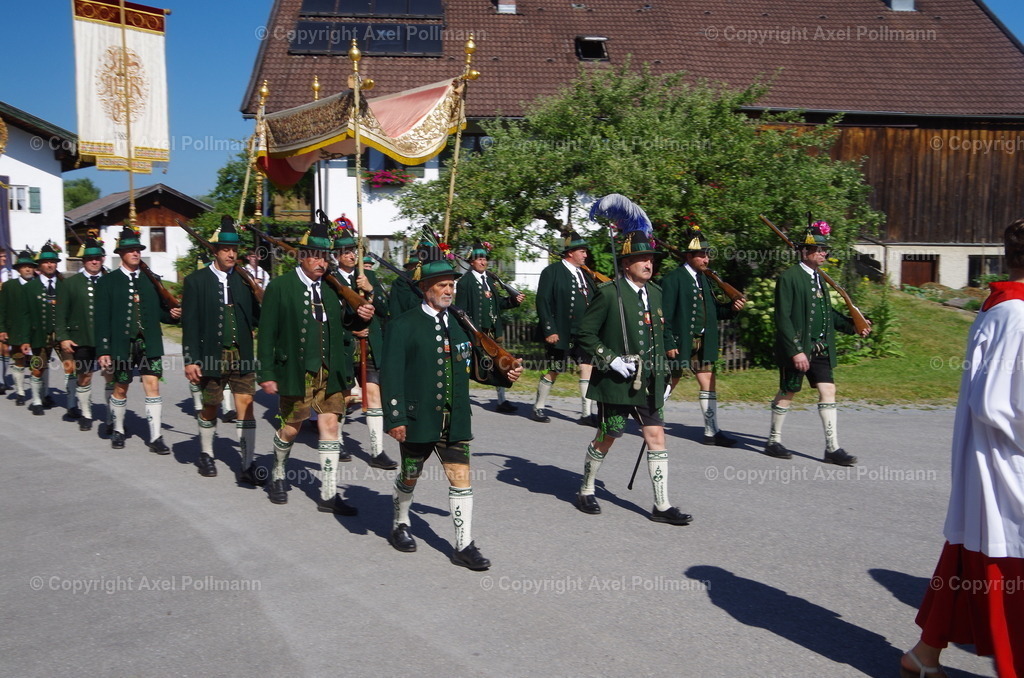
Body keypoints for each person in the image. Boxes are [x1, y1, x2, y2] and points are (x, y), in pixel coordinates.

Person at [900, 220, 1024, 678]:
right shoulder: (1017, 315)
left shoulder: (1003, 308)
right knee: (1006, 570)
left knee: (971, 552)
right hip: (1006, 464)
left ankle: (925, 654)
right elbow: (997, 403)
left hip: (992, 460)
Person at [382, 258, 524, 569]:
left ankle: (464, 545)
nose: (449, 290)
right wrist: (395, 418)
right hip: (418, 419)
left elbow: (475, 365)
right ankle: (400, 523)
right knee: (410, 475)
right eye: (442, 285)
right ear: (425, 288)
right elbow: (391, 375)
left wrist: (504, 374)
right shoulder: (402, 325)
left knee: (461, 477)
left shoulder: (460, 323)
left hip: (455, 417)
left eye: (451, 285)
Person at [573, 231, 692, 525]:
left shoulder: (657, 293)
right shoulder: (609, 293)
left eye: (651, 259)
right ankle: (586, 489)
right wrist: (611, 359)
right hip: (616, 383)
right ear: (626, 263)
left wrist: (665, 377)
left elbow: (662, 335)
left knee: (656, 436)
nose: (648, 264)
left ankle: (661, 505)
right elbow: (585, 333)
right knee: (608, 437)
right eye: (642, 259)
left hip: (649, 382)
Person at [256, 221, 374, 512]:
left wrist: (362, 314)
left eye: (325, 257)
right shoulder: (280, 287)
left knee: (331, 425)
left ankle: (329, 493)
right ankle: (278, 474)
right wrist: (267, 373)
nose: (323, 262)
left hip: (330, 371)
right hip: (297, 372)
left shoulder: (333, 288)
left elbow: (346, 324)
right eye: (316, 256)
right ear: (302, 256)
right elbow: (267, 333)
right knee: (291, 428)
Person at [764, 221, 870, 465]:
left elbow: (828, 314)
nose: (824, 254)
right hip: (798, 349)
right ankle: (773, 441)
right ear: (805, 251)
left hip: (821, 348)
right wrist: (796, 351)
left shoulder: (819, 278)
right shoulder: (789, 277)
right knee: (788, 391)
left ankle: (832, 448)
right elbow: (783, 318)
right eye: (819, 250)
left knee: (828, 391)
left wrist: (853, 326)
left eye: (825, 250)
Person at [182, 218, 261, 482]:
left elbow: (257, 317)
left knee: (246, 405)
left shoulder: (245, 280)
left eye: (234, 249)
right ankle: (206, 453)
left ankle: (247, 464)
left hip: (242, 354)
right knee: (211, 405)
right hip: (211, 355)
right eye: (226, 249)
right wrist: (191, 359)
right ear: (214, 251)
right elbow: (190, 324)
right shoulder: (196, 281)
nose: (231, 254)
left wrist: (260, 295)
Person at [95, 226, 182, 451]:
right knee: (120, 387)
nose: (136, 253)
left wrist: (172, 315)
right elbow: (102, 319)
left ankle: (155, 437)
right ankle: (118, 430)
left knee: (153, 386)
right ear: (121, 254)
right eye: (131, 250)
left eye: (138, 250)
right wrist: (103, 350)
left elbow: (160, 313)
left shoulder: (151, 280)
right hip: (122, 345)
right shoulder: (107, 282)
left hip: (149, 343)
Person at [662, 226, 745, 446]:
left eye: (707, 255)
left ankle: (711, 431)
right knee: (670, 381)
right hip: (680, 341)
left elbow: (714, 310)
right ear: (689, 256)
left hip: (703, 341)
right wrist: (668, 342)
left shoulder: (705, 279)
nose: (707, 259)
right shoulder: (673, 279)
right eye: (702, 255)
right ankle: (650, 420)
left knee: (708, 381)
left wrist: (732, 308)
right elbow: (664, 316)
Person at [332, 227, 397, 470]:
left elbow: (385, 309)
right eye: (346, 252)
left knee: (373, 396)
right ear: (336, 255)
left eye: (353, 251)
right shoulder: (330, 279)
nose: (351, 255)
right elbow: (329, 316)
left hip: (370, 346)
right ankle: (337, 441)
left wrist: (371, 290)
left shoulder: (367, 276)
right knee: (345, 396)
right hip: (345, 346)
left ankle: (377, 451)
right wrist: (351, 332)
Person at [532, 231, 598, 425]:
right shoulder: (552, 272)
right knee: (555, 369)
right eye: (582, 251)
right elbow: (542, 301)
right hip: (560, 331)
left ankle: (586, 414)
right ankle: (538, 407)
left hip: (583, 332)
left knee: (587, 367)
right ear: (570, 253)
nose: (585, 255)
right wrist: (549, 329)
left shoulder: (585, 274)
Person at [455, 240, 525, 413]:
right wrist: (469, 333)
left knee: (500, 363)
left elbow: (497, 303)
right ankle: (459, 398)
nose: (483, 262)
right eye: (479, 259)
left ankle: (502, 400)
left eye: (485, 259)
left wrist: (513, 301)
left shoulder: (490, 280)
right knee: (470, 366)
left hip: (492, 332)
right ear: (472, 262)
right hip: (475, 333)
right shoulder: (465, 283)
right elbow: (460, 312)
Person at [55, 236, 113, 431]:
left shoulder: (110, 281)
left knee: (110, 376)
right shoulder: (70, 283)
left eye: (97, 258)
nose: (94, 262)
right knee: (85, 376)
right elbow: (60, 314)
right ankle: (86, 413)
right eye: (89, 259)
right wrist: (63, 337)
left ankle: (111, 416)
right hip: (81, 338)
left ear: (102, 259)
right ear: (83, 261)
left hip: (108, 339)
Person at [15, 242, 73, 416]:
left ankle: (72, 405)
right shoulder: (30, 288)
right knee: (37, 367)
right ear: (39, 265)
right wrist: (25, 339)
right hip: (39, 334)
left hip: (62, 334)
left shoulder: (65, 285)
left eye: (53, 262)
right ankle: (37, 400)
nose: (50, 265)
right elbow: (24, 315)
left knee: (70, 368)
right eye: (46, 262)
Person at [0, 250, 38, 405]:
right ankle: (20, 392)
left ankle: (40, 395)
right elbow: (2, 308)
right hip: (16, 330)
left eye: (30, 266)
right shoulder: (9, 286)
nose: (28, 269)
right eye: (24, 267)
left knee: (37, 363)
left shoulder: (39, 285)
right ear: (18, 269)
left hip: (36, 332)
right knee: (18, 360)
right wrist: (2, 329)